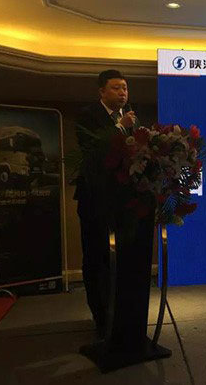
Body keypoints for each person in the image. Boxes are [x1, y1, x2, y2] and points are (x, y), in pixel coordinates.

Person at [74, 69, 138, 337]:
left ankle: (122, 315)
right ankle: (101, 318)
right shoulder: (88, 115)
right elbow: (94, 150)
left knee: (122, 260)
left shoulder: (131, 117)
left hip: (124, 201)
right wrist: (120, 127)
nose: (122, 92)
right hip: (95, 199)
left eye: (125, 88)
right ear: (102, 91)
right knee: (97, 259)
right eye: (116, 88)